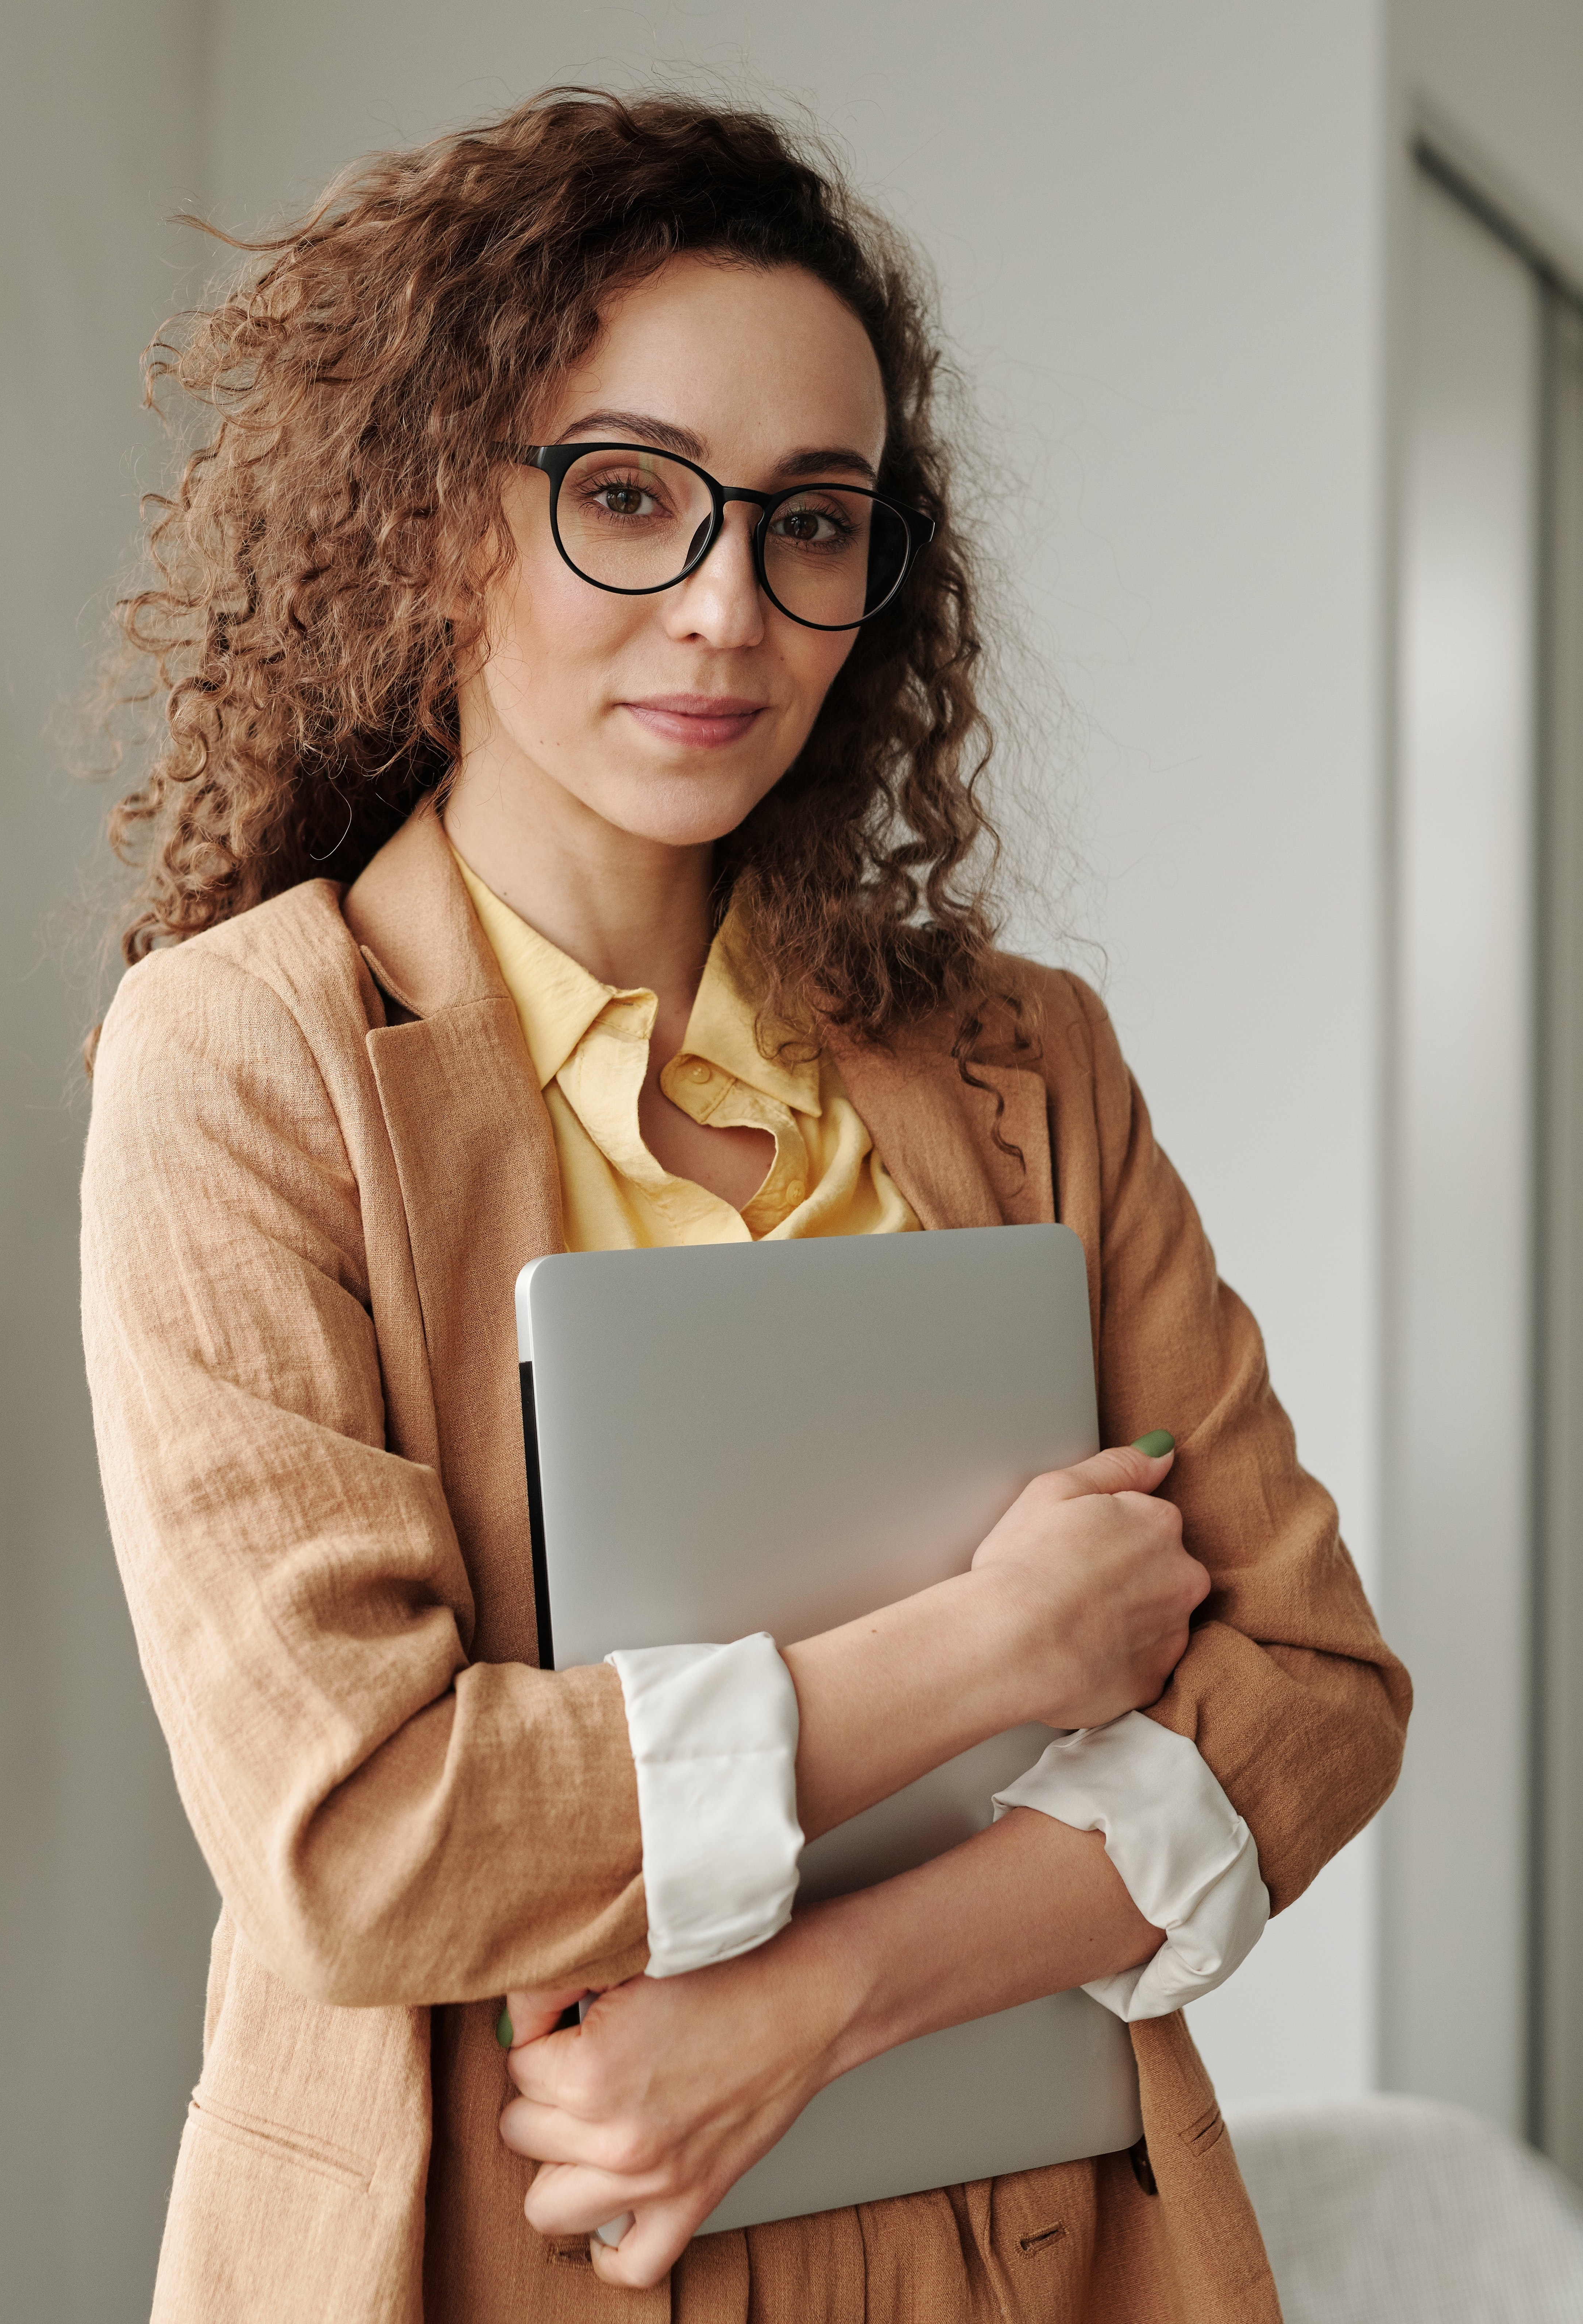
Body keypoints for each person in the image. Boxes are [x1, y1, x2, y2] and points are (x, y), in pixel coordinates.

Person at [79, 90, 1409, 2323]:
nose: (727, 609)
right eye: (626, 495)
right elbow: (365, 1832)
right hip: (513, 2247)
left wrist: (815, 2006)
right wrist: (986, 1652)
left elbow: (1314, 1687)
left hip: (1040, 2246)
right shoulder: (248, 1058)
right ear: (435, 526)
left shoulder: (1023, 1058)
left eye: (812, 523)